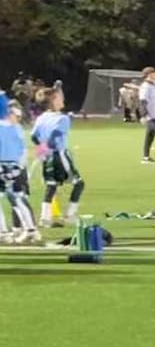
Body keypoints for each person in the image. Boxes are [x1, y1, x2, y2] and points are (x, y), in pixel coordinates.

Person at [30, 84, 83, 226]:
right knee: (78, 183)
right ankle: (70, 215)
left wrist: (42, 147)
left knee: (51, 185)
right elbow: (55, 136)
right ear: (53, 101)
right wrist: (50, 144)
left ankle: (45, 218)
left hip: (47, 157)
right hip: (59, 155)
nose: (62, 99)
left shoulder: (41, 118)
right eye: (59, 98)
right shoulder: (63, 119)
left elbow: (34, 136)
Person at [0, 94, 36, 240]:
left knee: (14, 198)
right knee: (18, 198)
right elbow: (23, 150)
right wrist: (20, 167)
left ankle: (3, 232)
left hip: (3, 166)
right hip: (16, 167)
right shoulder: (17, 128)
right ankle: (30, 229)